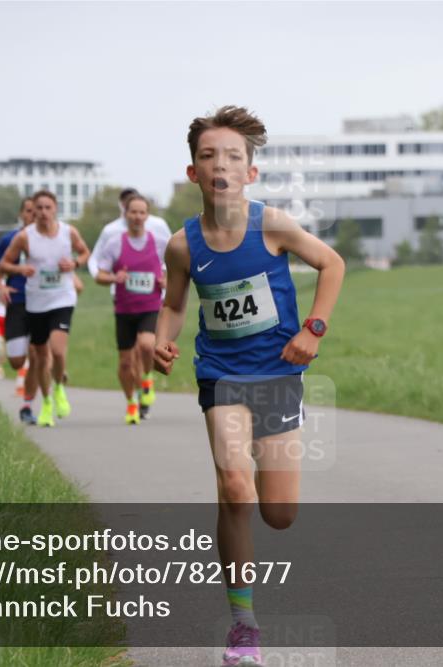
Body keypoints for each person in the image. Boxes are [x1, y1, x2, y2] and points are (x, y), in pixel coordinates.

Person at [153, 106, 344, 666]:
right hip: (221, 376)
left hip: (279, 374)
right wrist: (163, 339)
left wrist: (314, 330)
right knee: (236, 488)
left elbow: (332, 265)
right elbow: (172, 304)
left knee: (279, 513)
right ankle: (244, 629)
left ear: (250, 173)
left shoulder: (274, 226)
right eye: (209, 155)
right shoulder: (182, 245)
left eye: (233, 156)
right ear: (194, 172)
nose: (221, 165)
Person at [0, 190, 90, 427]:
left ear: (55, 209)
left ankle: (59, 386)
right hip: (36, 302)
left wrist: (75, 263)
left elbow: (85, 252)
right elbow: (4, 263)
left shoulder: (68, 232)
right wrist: (20, 270)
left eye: (47, 207)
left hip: (62, 298)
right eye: (38, 208)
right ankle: (47, 402)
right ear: (33, 211)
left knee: (58, 351)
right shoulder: (24, 237)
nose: (42, 212)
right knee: (40, 357)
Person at [89, 187, 172, 409]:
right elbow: (99, 275)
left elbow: (175, 267)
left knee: (146, 345)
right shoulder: (114, 242)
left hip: (151, 305)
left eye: (141, 212)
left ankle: (146, 379)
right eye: (133, 212)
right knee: (125, 362)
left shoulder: (159, 241)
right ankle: (131, 404)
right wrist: (115, 278)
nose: (137, 217)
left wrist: (166, 280)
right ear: (125, 214)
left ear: (147, 215)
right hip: (124, 309)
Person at [0, 198, 39, 423]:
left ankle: (28, 405)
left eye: (37, 210)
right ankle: (30, 361)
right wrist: (0, 286)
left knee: (39, 354)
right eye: (29, 211)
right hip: (17, 302)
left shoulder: (54, 238)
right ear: (21, 214)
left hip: (44, 303)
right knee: (17, 360)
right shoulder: (10, 239)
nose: (34, 215)